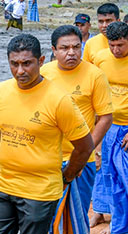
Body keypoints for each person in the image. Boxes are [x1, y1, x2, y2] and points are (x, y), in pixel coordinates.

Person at [0, 34, 94, 234]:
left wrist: (67, 176)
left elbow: (84, 146)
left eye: (27, 63)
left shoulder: (59, 100)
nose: (20, 71)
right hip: (3, 185)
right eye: (14, 64)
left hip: (40, 192)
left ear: (41, 61)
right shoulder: (0, 92)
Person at [41, 26, 113, 234]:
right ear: (54, 50)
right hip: (47, 157)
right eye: (64, 48)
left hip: (81, 160)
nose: (71, 52)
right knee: (46, 214)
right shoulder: (44, 73)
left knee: (77, 215)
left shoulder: (95, 75)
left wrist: (87, 150)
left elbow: (105, 118)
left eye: (76, 47)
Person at [91, 21, 128, 234]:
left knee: (124, 180)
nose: (115, 50)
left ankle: (119, 225)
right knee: (108, 174)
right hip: (108, 126)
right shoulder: (102, 58)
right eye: (112, 45)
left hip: (126, 129)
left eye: (120, 45)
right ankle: (107, 216)